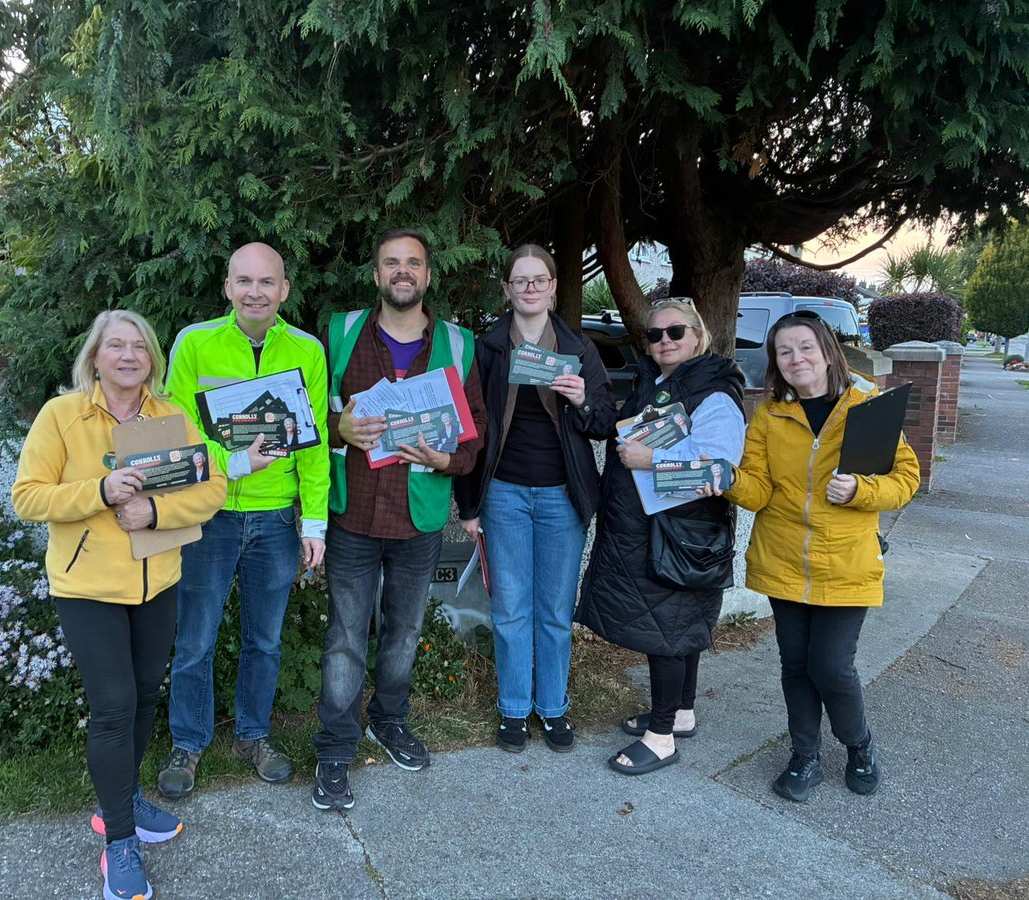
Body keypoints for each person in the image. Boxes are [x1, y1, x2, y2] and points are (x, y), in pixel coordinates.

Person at [12, 310, 227, 900]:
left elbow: (213, 489)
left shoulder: (171, 416)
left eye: (139, 346)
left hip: (157, 583)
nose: (129, 355)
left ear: (152, 360)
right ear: (95, 356)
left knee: (143, 701)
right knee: (113, 707)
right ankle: (120, 844)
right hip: (88, 587)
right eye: (116, 346)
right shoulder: (62, 416)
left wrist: (157, 512)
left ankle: (120, 802)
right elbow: (27, 498)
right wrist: (99, 492)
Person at [712, 309, 919, 801]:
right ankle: (804, 756)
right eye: (784, 351)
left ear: (827, 351)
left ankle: (859, 745)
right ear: (776, 363)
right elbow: (759, 491)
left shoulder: (869, 405)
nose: (795, 358)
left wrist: (862, 490)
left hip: (846, 562)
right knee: (795, 665)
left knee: (832, 666)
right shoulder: (769, 416)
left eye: (805, 347)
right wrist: (726, 479)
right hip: (782, 559)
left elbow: (906, 479)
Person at [312, 228, 486, 810]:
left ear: (428, 275)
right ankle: (335, 747)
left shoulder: (459, 345)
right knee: (344, 638)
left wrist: (449, 459)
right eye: (392, 263)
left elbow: (474, 431)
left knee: (405, 631)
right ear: (377, 274)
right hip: (353, 513)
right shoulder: (341, 332)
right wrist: (340, 429)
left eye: (413, 262)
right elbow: (311, 416)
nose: (402, 272)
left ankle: (388, 720)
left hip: (419, 518)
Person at [157, 242, 329, 797]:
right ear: (227, 288)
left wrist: (314, 523)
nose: (256, 292)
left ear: (284, 290)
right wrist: (234, 463)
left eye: (267, 282)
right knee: (195, 640)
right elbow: (177, 434)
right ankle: (188, 743)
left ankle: (254, 735)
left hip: (276, 519)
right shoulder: (195, 343)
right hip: (209, 517)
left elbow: (316, 444)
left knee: (266, 640)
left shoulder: (307, 349)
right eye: (244, 281)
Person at [455, 243, 615, 753]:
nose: (529, 288)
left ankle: (553, 708)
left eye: (539, 279)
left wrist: (581, 398)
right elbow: (471, 432)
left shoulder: (580, 347)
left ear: (552, 286)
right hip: (502, 495)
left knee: (552, 610)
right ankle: (514, 709)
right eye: (519, 280)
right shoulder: (488, 347)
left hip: (560, 496)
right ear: (507, 289)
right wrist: (470, 507)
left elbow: (605, 422)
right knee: (510, 610)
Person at [576, 298, 745, 776]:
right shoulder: (659, 384)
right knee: (678, 629)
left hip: (681, 533)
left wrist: (651, 462)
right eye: (655, 335)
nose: (664, 341)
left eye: (675, 332)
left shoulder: (714, 392)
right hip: (655, 530)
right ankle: (681, 713)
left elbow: (719, 468)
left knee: (665, 634)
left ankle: (662, 737)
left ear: (697, 336)